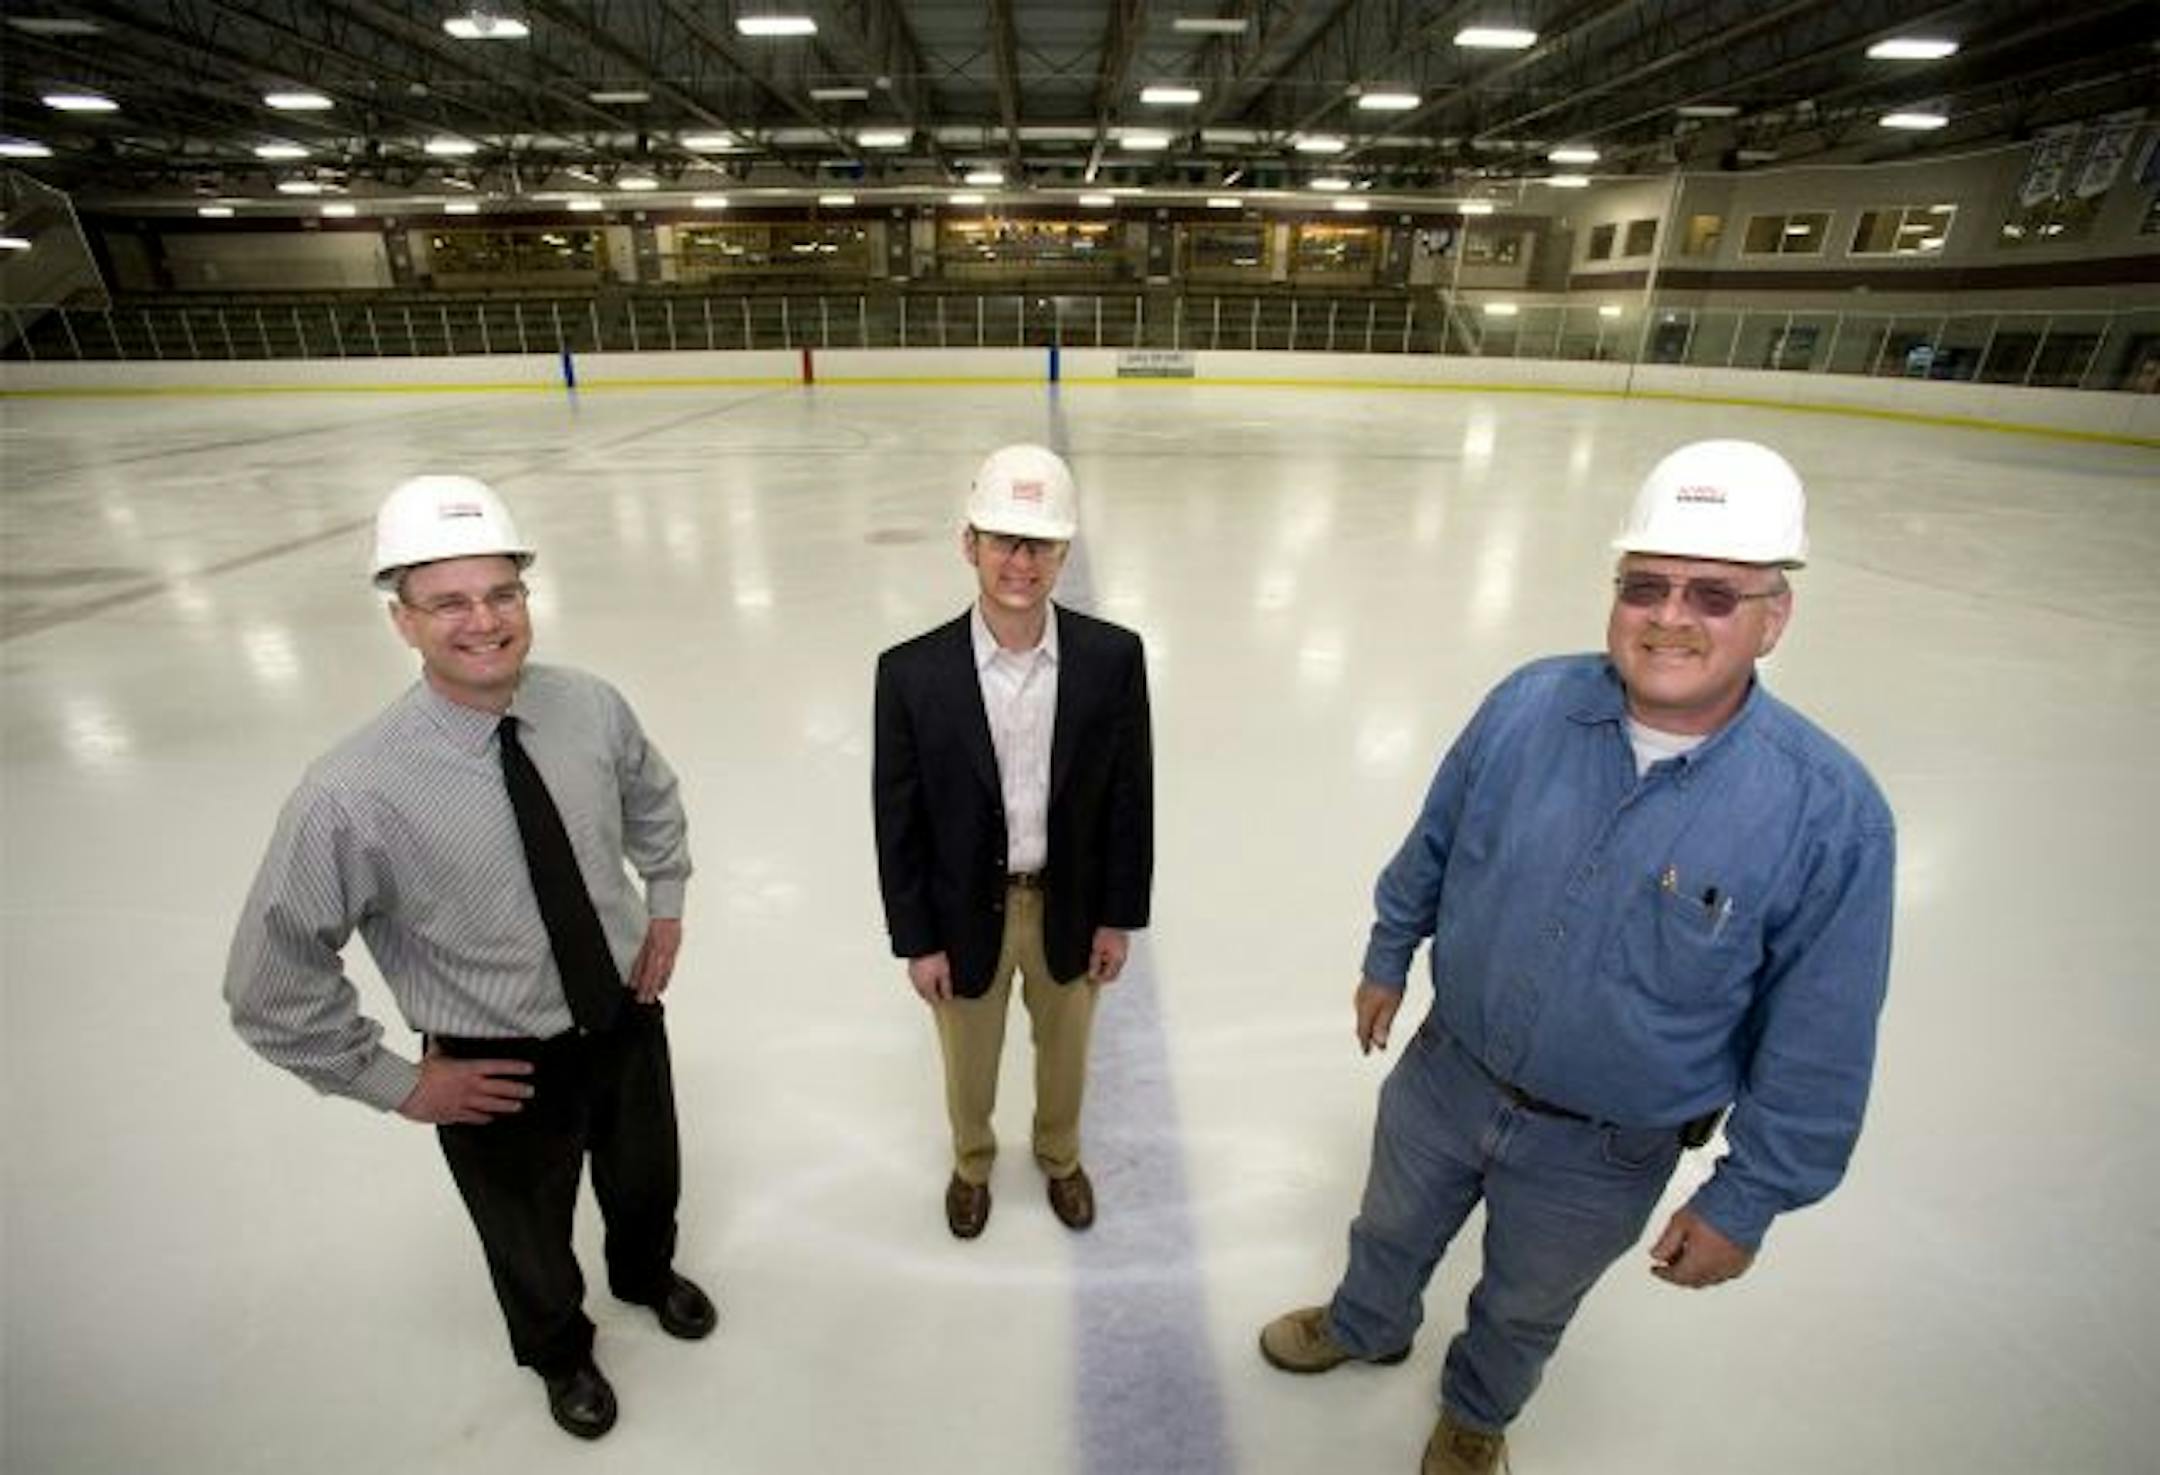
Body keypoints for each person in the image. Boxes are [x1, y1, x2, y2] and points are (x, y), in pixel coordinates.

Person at [1259, 440, 1895, 1474]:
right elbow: (1434, 839)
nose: (1671, 615)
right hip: (1445, 1072)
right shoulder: (1526, 705)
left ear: (1774, 616)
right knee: (1387, 1224)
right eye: (1647, 583)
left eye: (1715, 594)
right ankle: (1367, 1319)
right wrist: (1389, 952)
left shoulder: (1828, 814)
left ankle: (1476, 1408)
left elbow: (1820, 1039)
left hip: (1603, 1148)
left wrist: (1746, 1198)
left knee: (1526, 1298)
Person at [225, 475, 715, 1441]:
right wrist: (395, 1081)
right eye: (449, 601)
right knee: (526, 1234)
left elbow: (652, 798)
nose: (483, 621)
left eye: (502, 593)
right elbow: (268, 980)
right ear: (402, 620)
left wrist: (665, 899)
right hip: (497, 1062)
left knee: (647, 1175)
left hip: (622, 1011)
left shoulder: (589, 706)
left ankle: (645, 1272)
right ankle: (560, 1351)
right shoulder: (351, 791)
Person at [873, 444, 1153, 1240]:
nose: (1020, 561)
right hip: (965, 913)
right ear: (970, 544)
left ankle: (1060, 1156)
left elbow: (1132, 798)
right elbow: (897, 822)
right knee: (969, 1063)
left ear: (1065, 550)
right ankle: (972, 1163)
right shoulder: (910, 674)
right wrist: (917, 939)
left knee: (1066, 1057)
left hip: (1070, 904)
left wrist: (1116, 917)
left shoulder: (1112, 660)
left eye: (1039, 543)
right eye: (1002, 539)